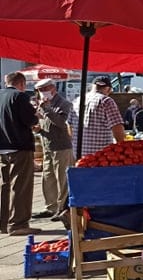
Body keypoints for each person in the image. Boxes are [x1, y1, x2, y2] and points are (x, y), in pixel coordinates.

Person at [0, 72, 40, 235]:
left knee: (5, 185)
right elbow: (31, 120)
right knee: (21, 186)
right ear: (22, 83)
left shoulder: (1, 96)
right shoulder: (19, 97)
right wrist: (36, 113)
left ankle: (3, 222)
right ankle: (18, 224)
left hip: (2, 146)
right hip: (19, 145)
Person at [32, 80, 75, 221]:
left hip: (61, 146)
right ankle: (50, 207)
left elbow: (62, 123)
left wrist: (47, 109)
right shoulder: (41, 104)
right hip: (47, 145)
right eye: (39, 89)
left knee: (62, 178)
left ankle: (62, 208)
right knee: (48, 177)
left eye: (44, 88)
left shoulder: (64, 103)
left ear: (52, 88)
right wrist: (38, 127)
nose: (41, 91)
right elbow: (44, 123)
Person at [81, 76, 125, 158]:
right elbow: (117, 127)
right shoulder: (106, 101)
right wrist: (122, 148)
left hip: (81, 154)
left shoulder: (78, 100)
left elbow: (70, 128)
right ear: (108, 89)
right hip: (101, 155)